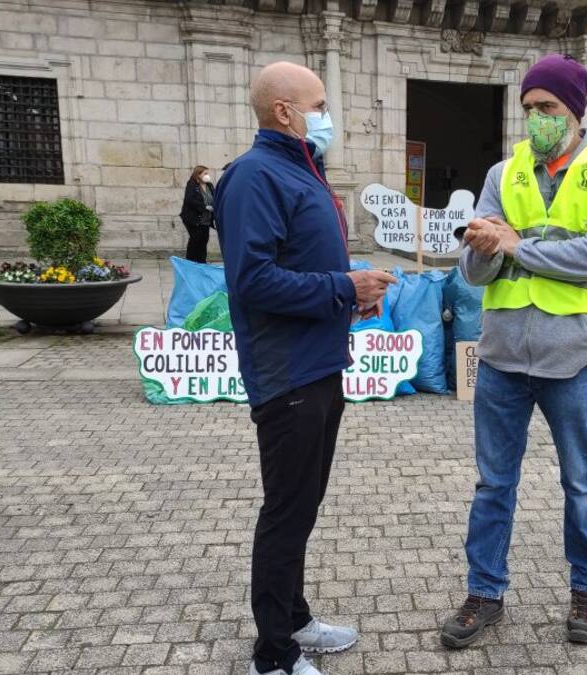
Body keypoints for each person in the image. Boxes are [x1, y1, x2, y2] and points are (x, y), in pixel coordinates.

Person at [439, 54, 587, 649]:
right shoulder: (505, 173)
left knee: (581, 481)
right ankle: (484, 593)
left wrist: (516, 245)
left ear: (574, 110)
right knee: (492, 483)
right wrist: (481, 246)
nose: (536, 120)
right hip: (501, 355)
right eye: (528, 110)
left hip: (574, 356)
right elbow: (476, 273)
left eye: (547, 108)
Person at [214, 62, 396, 675]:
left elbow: (306, 267)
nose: (328, 115)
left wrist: (353, 295)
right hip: (286, 372)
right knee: (286, 512)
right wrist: (343, 285)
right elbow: (253, 280)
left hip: (320, 364)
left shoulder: (302, 170)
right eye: (319, 104)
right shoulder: (253, 176)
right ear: (285, 111)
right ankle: (273, 656)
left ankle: (295, 619)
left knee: (305, 504)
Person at [179, 165, 215, 263]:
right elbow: (189, 200)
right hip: (193, 219)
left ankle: (202, 262)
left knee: (204, 241)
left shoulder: (209, 185)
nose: (207, 175)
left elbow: (214, 196)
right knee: (195, 240)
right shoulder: (192, 184)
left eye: (207, 173)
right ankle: (190, 263)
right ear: (198, 175)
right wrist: (204, 207)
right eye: (205, 173)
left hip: (206, 219)